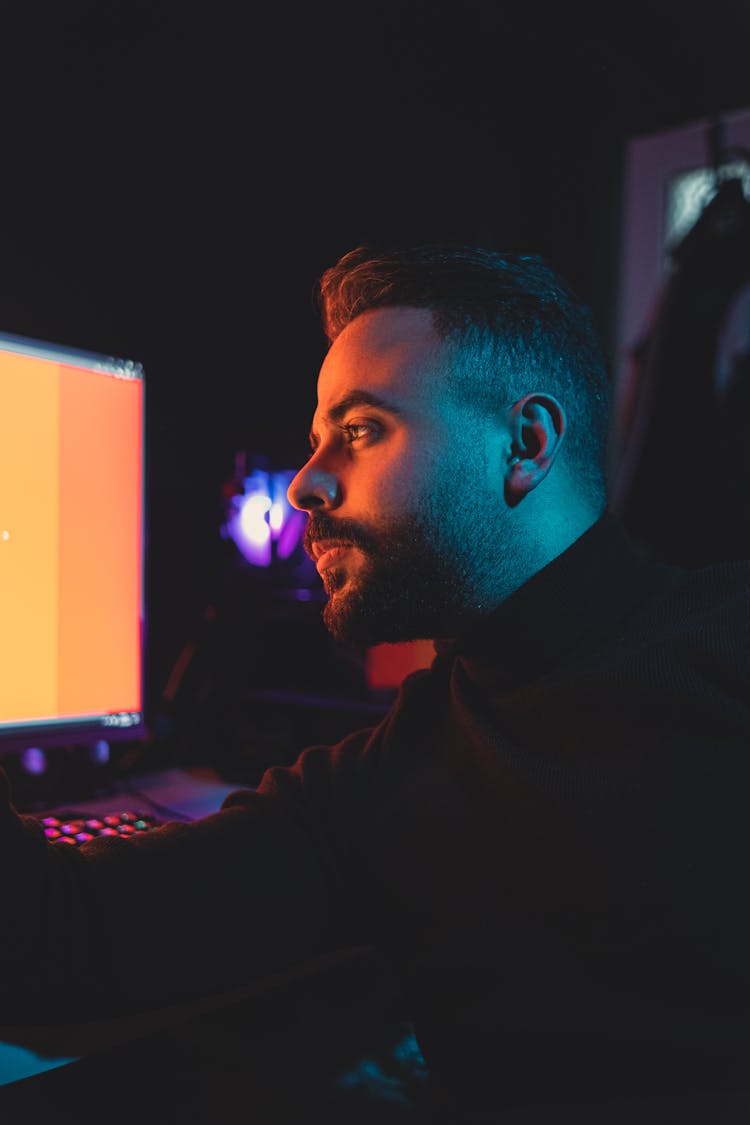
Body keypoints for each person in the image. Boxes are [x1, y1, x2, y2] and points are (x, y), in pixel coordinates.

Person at [2, 243, 750, 1124]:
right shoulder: (405, 766)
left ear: (526, 443)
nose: (309, 484)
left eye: (358, 431)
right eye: (319, 440)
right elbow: (59, 936)